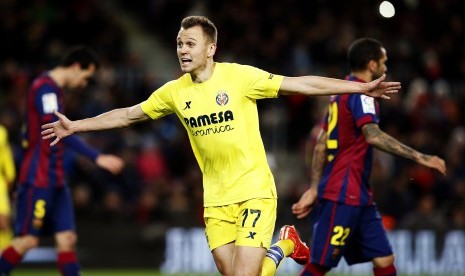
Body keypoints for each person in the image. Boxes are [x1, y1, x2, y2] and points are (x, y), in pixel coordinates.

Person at [41, 17, 400, 276]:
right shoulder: (174, 92)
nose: (182, 50)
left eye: (190, 44)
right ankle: (285, 244)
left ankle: (282, 244)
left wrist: (358, 87)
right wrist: (76, 126)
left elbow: (301, 84)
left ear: (211, 48)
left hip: (254, 191)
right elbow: (128, 115)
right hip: (215, 199)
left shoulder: (240, 78)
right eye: (180, 44)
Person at [281, 38, 445, 276]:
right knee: (320, 264)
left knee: (384, 259)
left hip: (358, 195)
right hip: (343, 194)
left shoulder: (340, 91)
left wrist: (315, 187)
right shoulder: (363, 94)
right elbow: (373, 135)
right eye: (383, 62)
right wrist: (421, 157)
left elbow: (322, 143)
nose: (385, 68)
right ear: (371, 65)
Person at [0, 46, 124, 276]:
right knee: (27, 241)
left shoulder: (53, 91)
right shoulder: (45, 89)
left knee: (67, 239)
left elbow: (32, 133)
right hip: (38, 177)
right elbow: (59, 130)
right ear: (76, 67)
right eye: (86, 77)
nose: (84, 84)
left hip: (56, 178)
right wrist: (97, 156)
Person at [0, 125, 16, 252]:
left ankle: (4, 263)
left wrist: (10, 175)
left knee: (3, 222)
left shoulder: (1, 132)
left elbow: (6, 157)